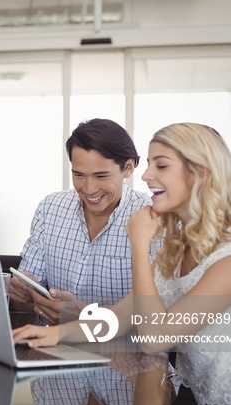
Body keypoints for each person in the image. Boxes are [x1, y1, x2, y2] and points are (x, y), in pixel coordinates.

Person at [13, 123, 231, 405]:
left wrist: (138, 243)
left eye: (161, 166)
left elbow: (154, 339)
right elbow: (119, 317)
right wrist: (52, 334)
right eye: (150, 165)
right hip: (192, 397)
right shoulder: (181, 243)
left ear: (200, 175)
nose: (147, 175)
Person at [10, 118, 159, 324]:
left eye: (101, 176)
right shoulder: (50, 208)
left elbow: (159, 316)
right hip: (53, 345)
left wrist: (86, 316)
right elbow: (24, 303)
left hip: (125, 352)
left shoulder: (154, 217)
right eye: (79, 175)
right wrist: (24, 292)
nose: (89, 189)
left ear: (128, 167)